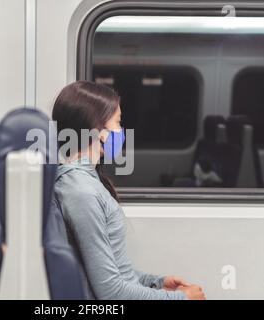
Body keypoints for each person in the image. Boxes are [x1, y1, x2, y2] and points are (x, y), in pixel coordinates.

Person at [51, 81, 206, 300]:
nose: (122, 132)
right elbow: (111, 291)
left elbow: (114, 269)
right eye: (118, 123)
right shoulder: (81, 191)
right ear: (100, 133)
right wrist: (181, 299)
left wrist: (156, 282)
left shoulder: (87, 181)